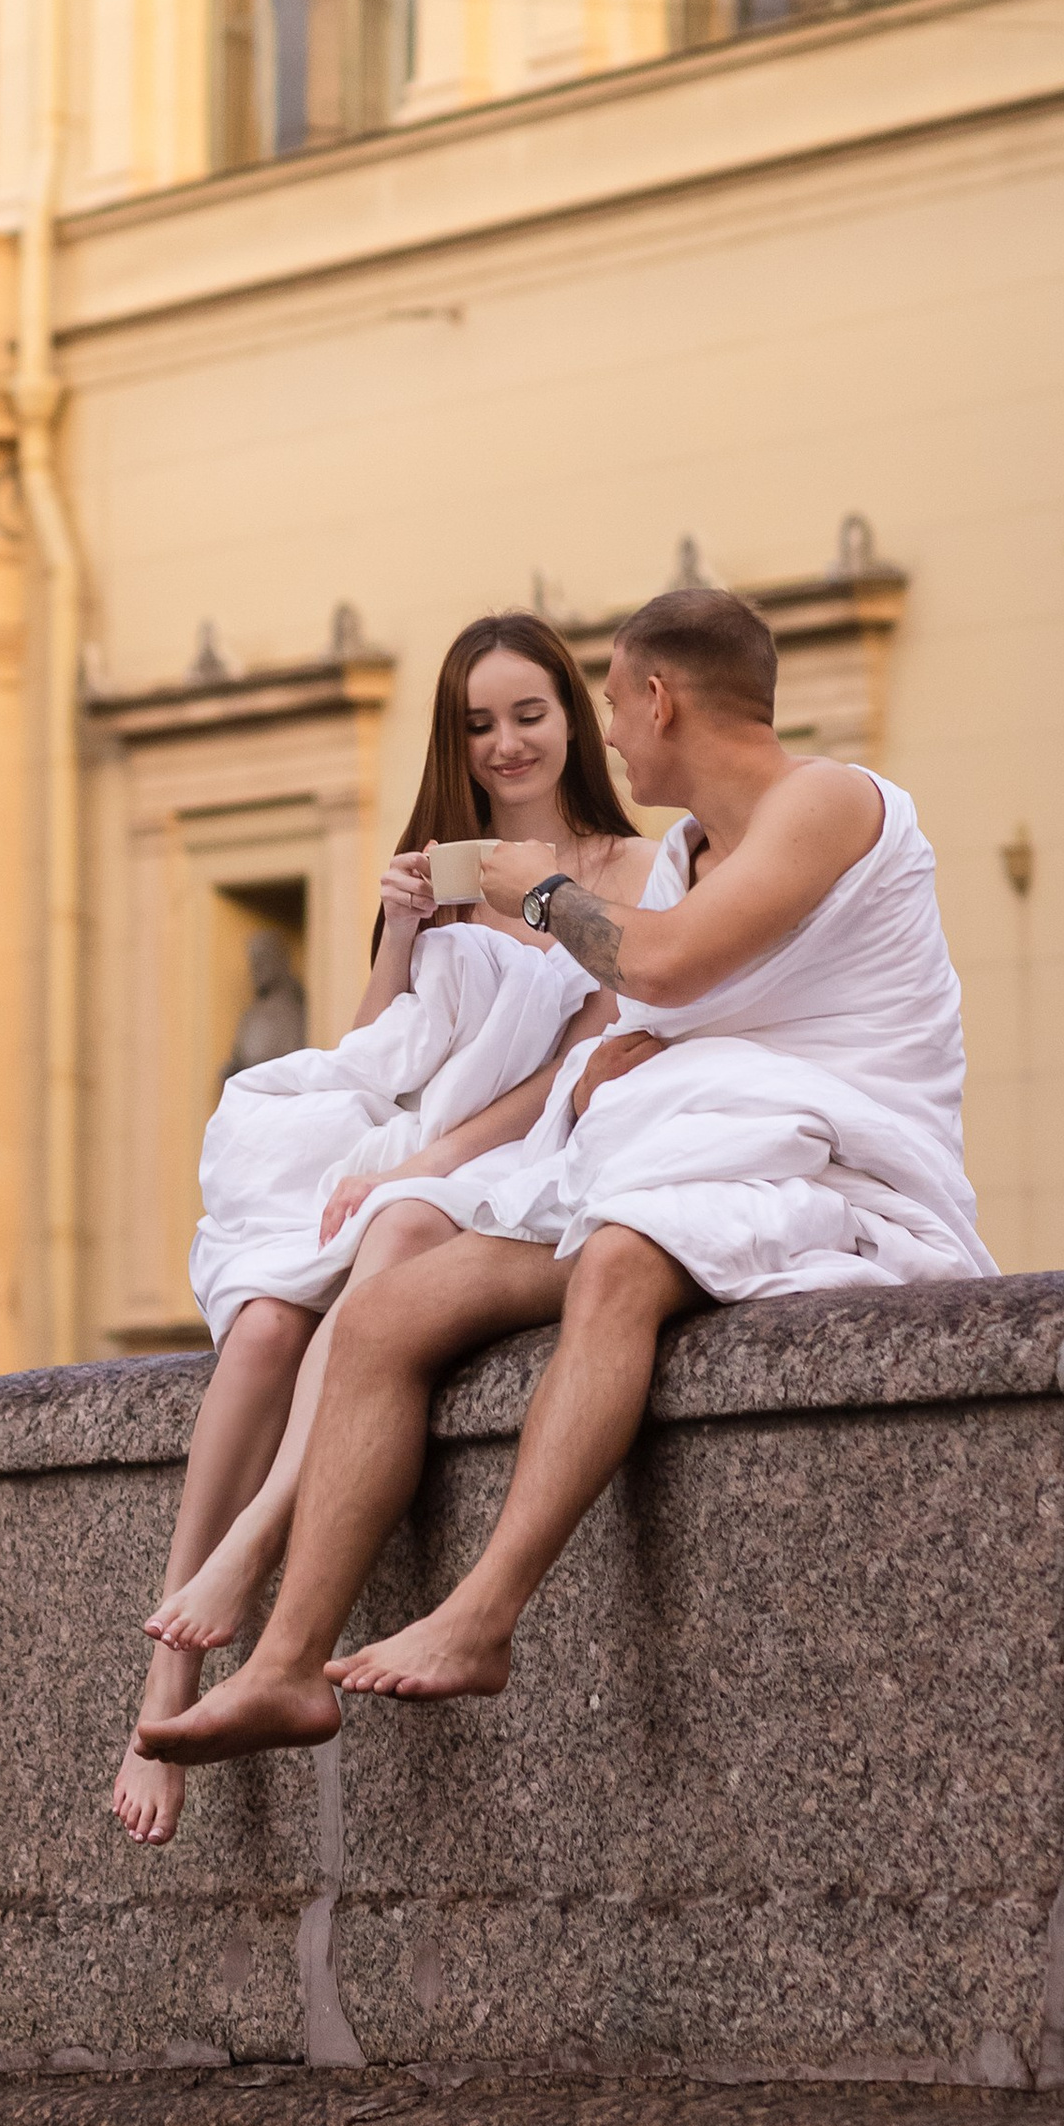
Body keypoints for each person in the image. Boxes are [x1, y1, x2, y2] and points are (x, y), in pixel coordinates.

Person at [140, 586, 992, 1770]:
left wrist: (527, 888)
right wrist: (626, 1051)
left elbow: (675, 963)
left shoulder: (829, 799)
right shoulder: (693, 854)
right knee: (388, 1313)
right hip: (704, 1143)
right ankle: (286, 1668)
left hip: (836, 1159)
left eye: (607, 702)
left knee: (624, 1257)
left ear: (658, 697)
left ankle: (483, 1617)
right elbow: (667, 1002)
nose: (610, 733)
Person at [112, 611, 655, 1842]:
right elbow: (380, 1050)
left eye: (529, 713)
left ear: (573, 716)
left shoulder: (630, 870)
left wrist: (425, 1163)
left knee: (399, 1229)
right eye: (478, 724)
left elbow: (584, 1053)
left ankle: (252, 1548)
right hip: (408, 1132)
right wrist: (404, 931)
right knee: (258, 1334)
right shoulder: (443, 868)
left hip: (518, 1146)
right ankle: (162, 1687)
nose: (507, 743)